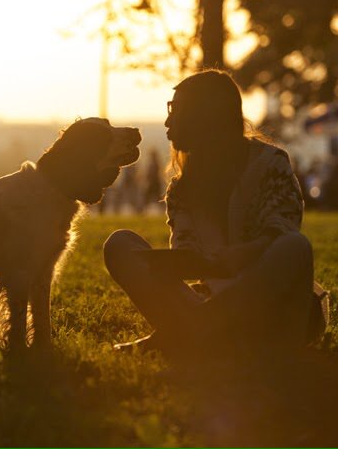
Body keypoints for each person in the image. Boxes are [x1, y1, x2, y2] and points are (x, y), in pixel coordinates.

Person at [103, 70, 316, 361]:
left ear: (203, 115)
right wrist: (176, 264)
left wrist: (237, 256)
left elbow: (281, 230)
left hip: (270, 307)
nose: (167, 121)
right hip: (213, 300)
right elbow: (186, 250)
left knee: (295, 247)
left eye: (174, 110)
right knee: (120, 244)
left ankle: (186, 333)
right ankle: (207, 333)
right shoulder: (182, 188)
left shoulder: (270, 164)